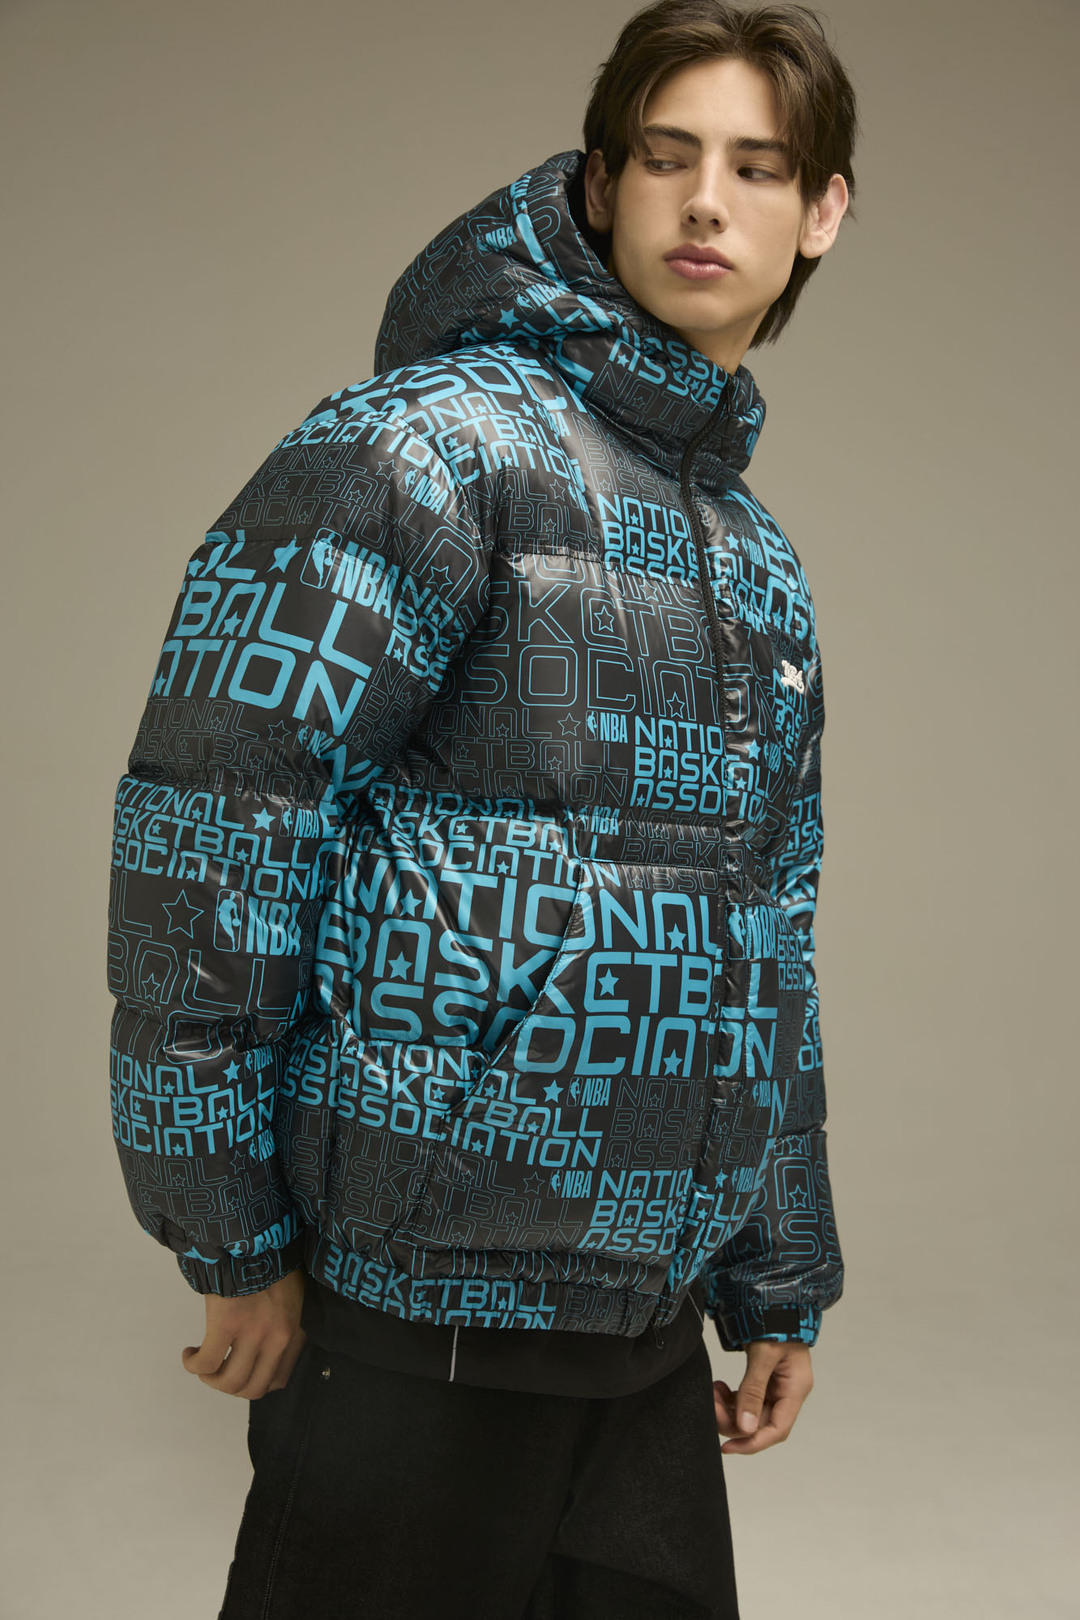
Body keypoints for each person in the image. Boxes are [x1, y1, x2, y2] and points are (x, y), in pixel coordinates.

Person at [105, 3, 857, 1614]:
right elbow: (215, 831)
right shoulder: (419, 452)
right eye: (665, 156)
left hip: (644, 1337)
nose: (706, 201)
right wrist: (227, 1237)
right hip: (411, 1319)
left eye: (756, 166)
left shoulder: (759, 565)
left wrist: (778, 1275)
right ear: (599, 185)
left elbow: (772, 933)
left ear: (823, 211)